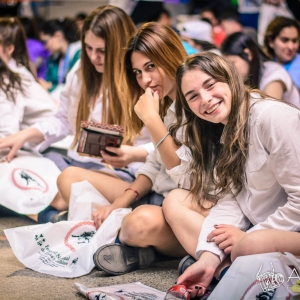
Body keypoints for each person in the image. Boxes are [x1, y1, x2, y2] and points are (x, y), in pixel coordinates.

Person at [165, 52, 300, 298]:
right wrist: (208, 257)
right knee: (174, 200)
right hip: (265, 228)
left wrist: (251, 237)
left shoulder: (271, 117)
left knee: (246, 247)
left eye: (210, 84)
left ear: (230, 78)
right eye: (193, 96)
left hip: (291, 231)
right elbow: (233, 198)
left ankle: (238, 273)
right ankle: (222, 272)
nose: (205, 99)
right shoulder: (222, 129)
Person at [0, 6, 151, 223]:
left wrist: (133, 153)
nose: (93, 57)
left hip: (127, 174)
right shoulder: (82, 70)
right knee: (28, 168)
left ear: (121, 47)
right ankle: (64, 212)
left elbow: (167, 143)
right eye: (88, 48)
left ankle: (65, 213)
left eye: (102, 51)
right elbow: (63, 119)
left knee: (66, 181)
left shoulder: (140, 80)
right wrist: (25, 135)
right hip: (78, 162)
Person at [88, 22, 215, 276]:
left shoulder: (199, 103)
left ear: (171, 56)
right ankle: (144, 251)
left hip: (201, 208)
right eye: (137, 71)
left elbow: (189, 181)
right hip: (166, 199)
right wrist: (119, 203)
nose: (145, 80)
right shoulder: (167, 105)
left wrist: (152, 122)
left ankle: (150, 251)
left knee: (137, 223)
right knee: (72, 180)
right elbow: (155, 164)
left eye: (150, 67)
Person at [221, 31, 300, 106]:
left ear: (248, 54)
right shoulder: (249, 76)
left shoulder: (273, 77)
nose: (230, 71)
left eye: (232, 63)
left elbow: (270, 115)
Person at [39, 18, 81, 97]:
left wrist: (52, 87)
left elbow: (75, 88)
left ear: (58, 36)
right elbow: (48, 81)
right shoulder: (53, 58)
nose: (44, 47)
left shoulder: (79, 54)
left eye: (45, 41)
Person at [264, 16, 300, 91]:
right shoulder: (265, 64)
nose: (291, 47)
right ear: (271, 42)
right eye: (284, 40)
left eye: (294, 41)